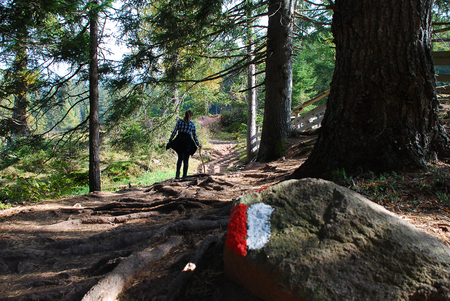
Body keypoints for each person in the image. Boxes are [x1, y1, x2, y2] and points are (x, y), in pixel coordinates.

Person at [168, 110, 202, 179]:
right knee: (186, 160)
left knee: (180, 158)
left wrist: (170, 140)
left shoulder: (179, 122)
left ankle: (177, 175)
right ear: (191, 116)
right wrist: (198, 144)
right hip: (187, 143)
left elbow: (174, 131)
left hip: (179, 141)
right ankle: (184, 176)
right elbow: (194, 136)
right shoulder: (192, 124)